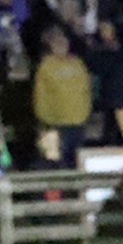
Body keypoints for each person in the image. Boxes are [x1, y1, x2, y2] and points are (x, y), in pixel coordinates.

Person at [32, 27, 91, 166]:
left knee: (77, 160)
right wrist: (45, 119)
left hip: (78, 121)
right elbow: (40, 95)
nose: (61, 46)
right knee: (57, 161)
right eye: (56, 42)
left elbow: (86, 90)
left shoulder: (78, 63)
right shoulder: (46, 66)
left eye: (63, 42)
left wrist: (86, 113)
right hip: (56, 123)